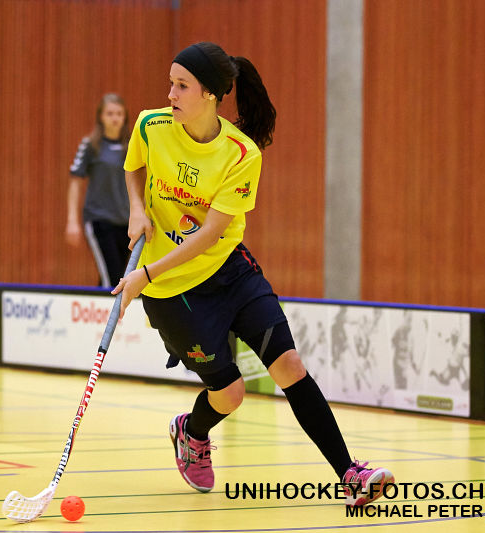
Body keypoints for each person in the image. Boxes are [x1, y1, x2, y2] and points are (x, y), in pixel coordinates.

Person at [112, 42, 394, 506]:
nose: (170, 94)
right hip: (174, 293)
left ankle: (350, 474)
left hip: (227, 272)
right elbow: (134, 167)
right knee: (230, 394)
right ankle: (191, 431)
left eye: (182, 86)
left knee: (290, 366)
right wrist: (137, 209)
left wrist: (144, 272)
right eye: (171, 83)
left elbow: (210, 234)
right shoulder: (151, 125)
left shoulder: (241, 154)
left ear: (210, 94)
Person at [66, 93, 131, 287]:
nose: (115, 118)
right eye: (110, 113)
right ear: (101, 117)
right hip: (99, 220)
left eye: (119, 113)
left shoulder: (132, 147)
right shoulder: (90, 145)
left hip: (126, 223)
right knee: (112, 278)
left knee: (115, 277)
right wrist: (72, 220)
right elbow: (75, 181)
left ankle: (100, 307)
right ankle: (109, 308)